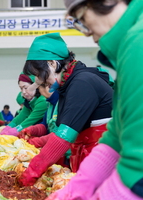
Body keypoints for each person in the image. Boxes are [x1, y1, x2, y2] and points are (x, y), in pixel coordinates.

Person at [47, 0, 143, 199]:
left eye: (82, 18)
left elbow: (138, 167)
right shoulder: (129, 45)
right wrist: (81, 185)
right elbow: (116, 135)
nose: (87, 32)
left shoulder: (138, 42)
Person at [18, 32, 113, 187]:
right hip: (90, 159)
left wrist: (31, 173)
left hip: (104, 163)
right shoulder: (69, 86)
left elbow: (63, 137)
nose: (41, 82)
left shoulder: (82, 83)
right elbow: (63, 130)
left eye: (39, 74)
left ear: (52, 64)